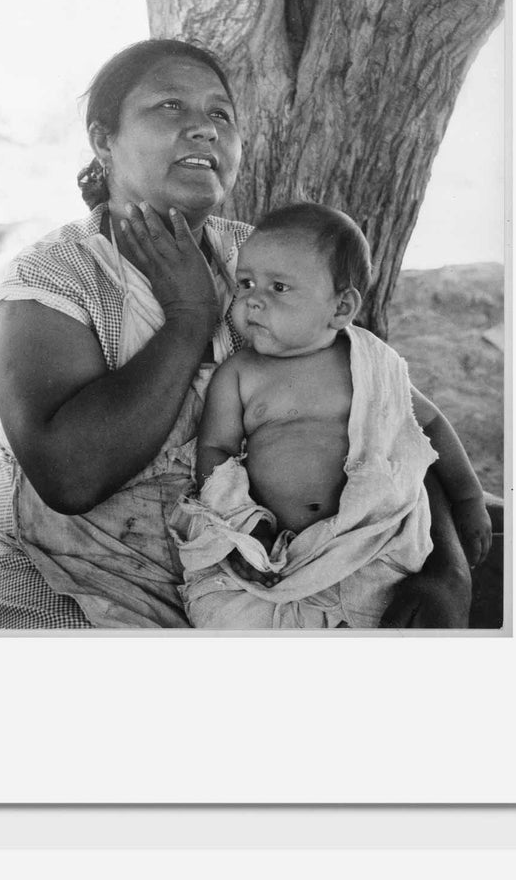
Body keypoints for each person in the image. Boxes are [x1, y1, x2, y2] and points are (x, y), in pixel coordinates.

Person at [0, 39, 473, 629]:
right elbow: (70, 478)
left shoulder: (262, 261)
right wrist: (188, 315)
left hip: (263, 586)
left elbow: (377, 411)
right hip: (74, 593)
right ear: (104, 140)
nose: (204, 129)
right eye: (170, 107)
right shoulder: (53, 279)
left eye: (221, 115)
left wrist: (448, 570)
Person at [170, 203, 492, 628]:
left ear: (340, 309)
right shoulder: (240, 374)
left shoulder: (369, 362)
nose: (253, 301)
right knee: (235, 616)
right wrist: (243, 527)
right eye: (245, 284)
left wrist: (469, 500)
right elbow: (216, 451)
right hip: (274, 549)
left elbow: (427, 426)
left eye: (279, 288)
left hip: (370, 540)